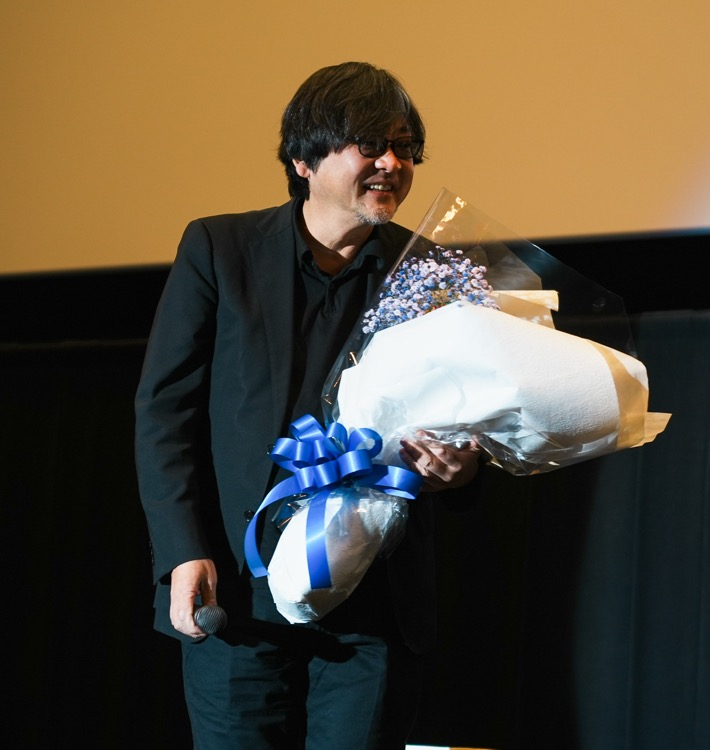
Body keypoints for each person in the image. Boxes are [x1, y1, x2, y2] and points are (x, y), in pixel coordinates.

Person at [135, 61, 482, 749]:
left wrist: (460, 467)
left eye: (405, 146)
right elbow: (164, 413)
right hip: (235, 594)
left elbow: (472, 429)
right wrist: (182, 551)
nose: (392, 162)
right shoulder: (219, 249)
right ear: (304, 158)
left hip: (373, 609)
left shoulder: (436, 275)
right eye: (370, 144)